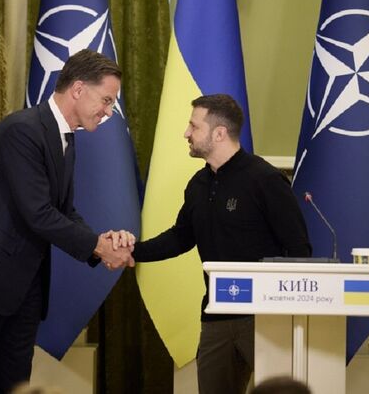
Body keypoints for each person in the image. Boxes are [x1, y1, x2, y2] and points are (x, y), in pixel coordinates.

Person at [0, 49, 136, 394]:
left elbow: (63, 210)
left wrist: (99, 242)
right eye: (106, 100)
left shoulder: (66, 138)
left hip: (26, 286)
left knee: (15, 385)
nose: (109, 112)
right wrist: (98, 247)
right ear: (78, 89)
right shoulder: (23, 130)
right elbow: (38, 213)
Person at [133, 94, 311, 394]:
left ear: (219, 133)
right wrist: (132, 252)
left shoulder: (265, 179)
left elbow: (299, 250)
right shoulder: (198, 184)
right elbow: (180, 237)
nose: (186, 133)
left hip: (265, 318)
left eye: (194, 126)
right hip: (215, 315)